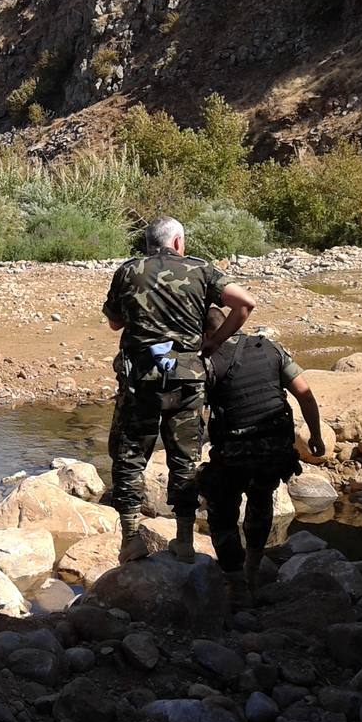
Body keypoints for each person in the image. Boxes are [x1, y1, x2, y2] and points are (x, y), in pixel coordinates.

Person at [103, 216, 257, 564]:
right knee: (184, 458)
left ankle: (131, 539)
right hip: (187, 378)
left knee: (128, 457)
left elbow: (115, 322)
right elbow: (245, 303)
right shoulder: (202, 270)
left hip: (140, 378)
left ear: (149, 244)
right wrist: (215, 340)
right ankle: (184, 540)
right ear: (177, 242)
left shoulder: (129, 270)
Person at [200, 305, 325, 595]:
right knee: (261, 498)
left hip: (233, 455)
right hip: (274, 451)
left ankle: (236, 585)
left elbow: (191, 410)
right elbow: (305, 395)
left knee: (221, 514)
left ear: (205, 333)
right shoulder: (270, 348)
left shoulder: (207, 360)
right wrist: (316, 435)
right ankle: (253, 571)